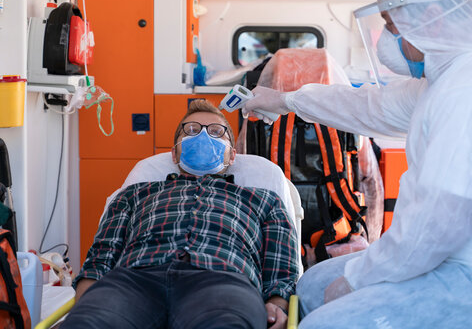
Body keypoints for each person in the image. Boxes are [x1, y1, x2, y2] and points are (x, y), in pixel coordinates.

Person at [244, 0, 472, 327]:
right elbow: (368, 105)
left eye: (391, 25)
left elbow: (434, 225)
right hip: (454, 258)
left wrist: (358, 279)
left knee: (322, 322)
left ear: (429, 19)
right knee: (311, 284)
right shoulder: (449, 77)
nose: (385, 40)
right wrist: (285, 100)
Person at [62, 100, 299, 329]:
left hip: (223, 280)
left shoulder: (264, 200)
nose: (204, 137)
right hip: (134, 281)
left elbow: (282, 269)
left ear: (233, 155)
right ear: (174, 155)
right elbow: (100, 259)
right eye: (192, 131)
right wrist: (85, 307)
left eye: (217, 132)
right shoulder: (134, 195)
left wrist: (276, 306)